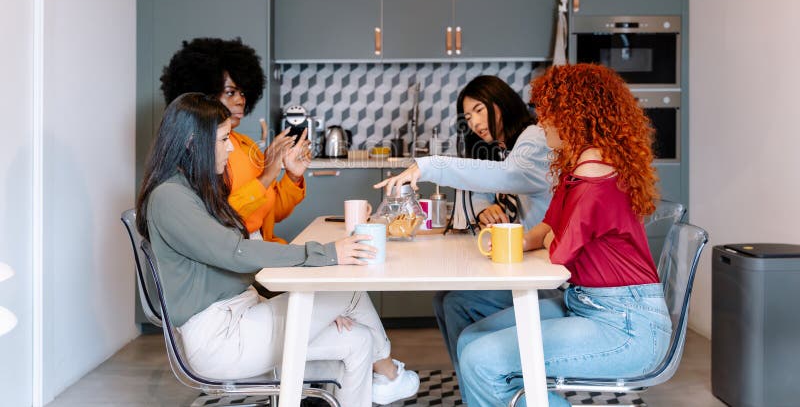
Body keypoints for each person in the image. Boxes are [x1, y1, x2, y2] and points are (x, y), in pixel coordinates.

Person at [135, 93, 419, 407]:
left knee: (358, 340)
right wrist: (327, 254)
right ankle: (390, 375)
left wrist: (320, 310)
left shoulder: (193, 189)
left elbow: (240, 249)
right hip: (223, 339)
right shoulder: (170, 198)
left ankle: (384, 380)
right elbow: (235, 253)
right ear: (192, 142)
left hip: (244, 317)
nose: (229, 148)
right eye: (223, 139)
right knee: (348, 291)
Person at [456, 64, 671, 407]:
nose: (541, 123)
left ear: (575, 115)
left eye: (548, 114)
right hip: (587, 304)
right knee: (471, 340)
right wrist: (536, 238)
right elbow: (545, 231)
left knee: (480, 360)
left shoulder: (594, 180)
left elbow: (557, 252)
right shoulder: (575, 172)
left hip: (627, 326)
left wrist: (545, 238)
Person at [374, 75, 554, 378]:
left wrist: (429, 165)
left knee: (457, 302)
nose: (474, 123)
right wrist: (486, 209)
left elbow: (507, 176)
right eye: (468, 117)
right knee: (444, 297)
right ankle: (478, 380)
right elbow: (490, 184)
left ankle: (483, 380)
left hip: (548, 270)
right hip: (527, 258)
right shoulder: (504, 145)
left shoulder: (534, 138)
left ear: (501, 101)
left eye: (479, 110)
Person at [160, 37, 304, 243]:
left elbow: (270, 212)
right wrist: (265, 178)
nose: (241, 100)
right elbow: (215, 222)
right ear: (204, 95)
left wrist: (292, 177)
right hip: (233, 256)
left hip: (260, 249)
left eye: (243, 92)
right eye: (230, 92)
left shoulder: (245, 144)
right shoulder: (200, 151)